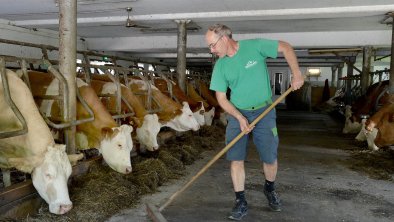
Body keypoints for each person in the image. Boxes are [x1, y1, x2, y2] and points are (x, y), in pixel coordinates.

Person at [205, 24, 304, 220]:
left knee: (270, 157)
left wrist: (297, 73)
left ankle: (270, 188)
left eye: (212, 45)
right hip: (237, 112)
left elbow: (285, 47)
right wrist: (240, 117)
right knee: (236, 157)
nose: (212, 50)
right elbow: (222, 98)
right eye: (209, 47)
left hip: (264, 110)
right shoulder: (221, 66)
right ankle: (240, 200)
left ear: (224, 39)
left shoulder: (255, 46)